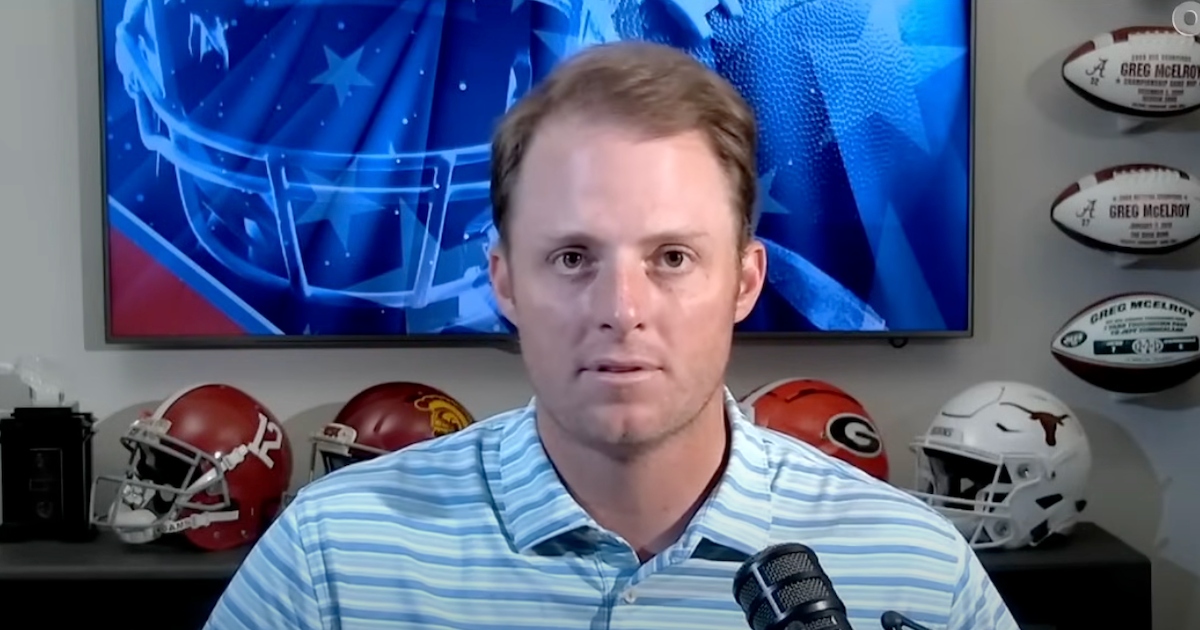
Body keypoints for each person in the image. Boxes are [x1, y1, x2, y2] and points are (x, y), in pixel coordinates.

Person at [203, 41, 1019, 630]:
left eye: (672, 257)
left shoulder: (919, 567)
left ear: (744, 282)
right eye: (571, 257)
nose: (622, 308)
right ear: (504, 283)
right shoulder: (329, 556)